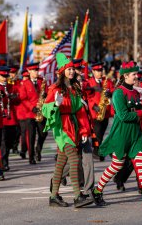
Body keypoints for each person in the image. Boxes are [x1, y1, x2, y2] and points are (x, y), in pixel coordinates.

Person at [91, 61, 142, 208]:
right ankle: (97, 190)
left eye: (136, 74)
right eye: (134, 74)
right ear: (125, 76)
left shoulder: (136, 92)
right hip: (122, 134)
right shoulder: (118, 92)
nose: (136, 77)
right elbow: (123, 115)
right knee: (116, 165)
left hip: (135, 134)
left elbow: (139, 109)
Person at [42, 53, 93, 208]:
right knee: (74, 158)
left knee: (61, 163)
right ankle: (78, 196)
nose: (71, 71)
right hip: (62, 127)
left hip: (74, 126)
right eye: (68, 69)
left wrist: (84, 131)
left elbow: (80, 112)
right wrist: (55, 105)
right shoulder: (55, 88)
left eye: (72, 69)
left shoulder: (75, 88)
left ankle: (53, 196)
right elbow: (45, 109)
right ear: (62, 71)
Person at [18, 62, 48, 164]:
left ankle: (38, 149)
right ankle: (31, 157)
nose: (36, 72)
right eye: (34, 70)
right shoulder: (25, 84)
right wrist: (32, 107)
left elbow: (47, 94)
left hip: (41, 112)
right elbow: (23, 98)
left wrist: (45, 97)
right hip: (30, 114)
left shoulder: (42, 82)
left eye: (37, 70)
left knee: (43, 133)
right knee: (31, 136)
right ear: (29, 71)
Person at [86, 62, 114, 161]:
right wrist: (94, 106)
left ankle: (98, 151)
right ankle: (98, 152)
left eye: (101, 70)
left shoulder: (107, 81)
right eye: (97, 71)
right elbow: (87, 97)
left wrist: (110, 92)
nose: (100, 73)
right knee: (97, 134)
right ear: (93, 71)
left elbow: (113, 90)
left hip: (105, 112)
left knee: (101, 133)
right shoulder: (89, 82)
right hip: (95, 112)